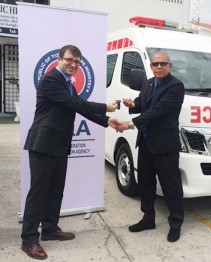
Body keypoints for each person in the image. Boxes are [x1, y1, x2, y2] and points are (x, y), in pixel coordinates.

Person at [21, 44, 120, 260]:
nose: (73, 65)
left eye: (77, 62)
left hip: (59, 144)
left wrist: (108, 122)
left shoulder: (69, 85)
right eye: (69, 60)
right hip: (43, 143)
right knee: (38, 193)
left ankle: (49, 229)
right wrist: (105, 107)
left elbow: (77, 107)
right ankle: (29, 239)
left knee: (55, 190)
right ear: (59, 59)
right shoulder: (51, 80)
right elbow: (75, 103)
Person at [120, 51, 185, 242]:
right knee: (146, 183)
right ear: (151, 66)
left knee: (170, 186)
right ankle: (148, 218)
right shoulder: (148, 83)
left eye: (163, 63)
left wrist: (130, 124)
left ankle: (175, 224)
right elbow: (143, 103)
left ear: (170, 66)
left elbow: (158, 111)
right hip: (146, 142)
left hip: (165, 146)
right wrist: (132, 104)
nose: (159, 67)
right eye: (155, 64)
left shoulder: (176, 86)